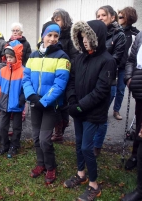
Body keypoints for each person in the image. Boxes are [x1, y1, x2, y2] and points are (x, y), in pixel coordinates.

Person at [64, 20, 116, 201]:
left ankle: (94, 185)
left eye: (88, 36)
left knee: (87, 147)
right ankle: (81, 174)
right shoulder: (79, 58)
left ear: (97, 37)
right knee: (78, 143)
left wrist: (80, 106)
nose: (84, 41)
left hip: (93, 113)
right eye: (82, 37)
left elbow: (101, 90)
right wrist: (72, 101)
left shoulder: (108, 61)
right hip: (78, 110)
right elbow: (71, 81)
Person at [23, 22, 70, 184]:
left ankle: (51, 167)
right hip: (35, 103)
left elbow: (60, 84)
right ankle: (40, 164)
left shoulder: (62, 57)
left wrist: (44, 101)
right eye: (49, 35)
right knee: (36, 137)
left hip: (51, 105)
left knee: (44, 139)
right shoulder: (34, 55)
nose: (52, 39)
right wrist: (31, 96)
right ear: (43, 35)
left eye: (56, 36)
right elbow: (26, 78)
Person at [93, 5, 126, 156]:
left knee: (101, 115)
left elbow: (116, 59)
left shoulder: (119, 35)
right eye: (98, 16)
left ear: (112, 17)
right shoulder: (95, 34)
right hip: (92, 79)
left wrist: (97, 65)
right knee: (91, 113)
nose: (99, 18)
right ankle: (89, 142)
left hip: (108, 81)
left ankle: (97, 146)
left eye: (103, 15)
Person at [122, 29, 142, 201]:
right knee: (141, 130)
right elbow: (131, 59)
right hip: (141, 89)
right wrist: (129, 77)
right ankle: (136, 155)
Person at [51, 8, 79, 141]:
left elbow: (75, 57)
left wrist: (64, 67)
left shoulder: (72, 35)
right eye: (54, 20)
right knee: (56, 102)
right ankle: (58, 131)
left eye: (58, 20)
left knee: (62, 104)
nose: (55, 22)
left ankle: (60, 130)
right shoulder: (53, 34)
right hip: (52, 73)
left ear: (65, 20)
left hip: (66, 73)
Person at [0, 40, 25, 158]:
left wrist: (22, 98)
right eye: (7, 57)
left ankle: (14, 145)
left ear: (17, 56)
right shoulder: (2, 71)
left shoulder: (23, 71)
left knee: (17, 127)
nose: (9, 59)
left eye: (11, 57)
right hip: (4, 103)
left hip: (17, 104)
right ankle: (4, 144)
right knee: (2, 126)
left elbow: (26, 87)